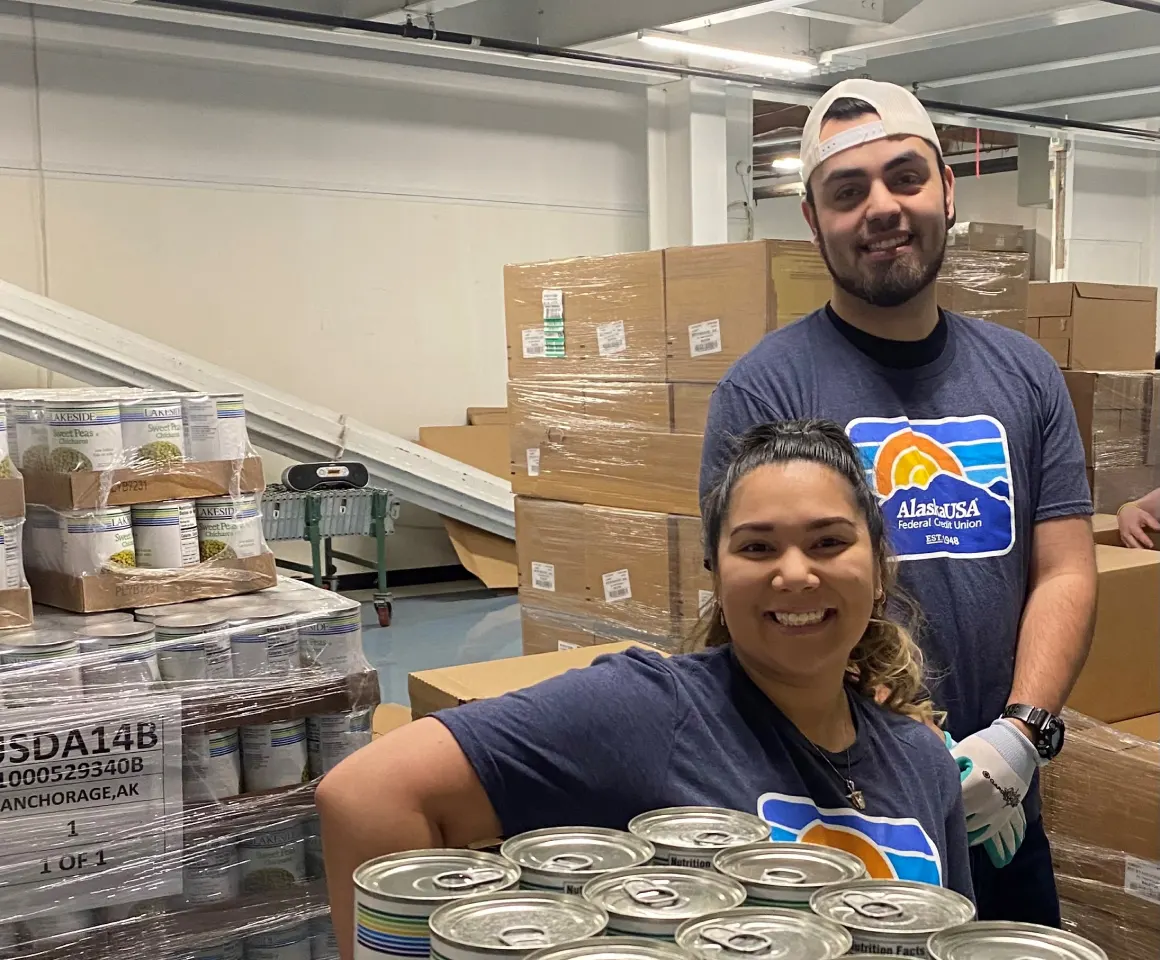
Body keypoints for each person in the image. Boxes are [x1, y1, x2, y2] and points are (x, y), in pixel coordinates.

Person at [319, 419, 973, 960]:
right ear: (717, 574)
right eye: (757, 548)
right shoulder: (654, 710)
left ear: (879, 568)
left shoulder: (921, 759)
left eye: (828, 542)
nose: (795, 574)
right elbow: (366, 796)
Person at [699, 79, 1097, 927]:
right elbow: (746, 604)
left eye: (905, 178)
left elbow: (1064, 569)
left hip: (1001, 801)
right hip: (835, 814)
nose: (881, 207)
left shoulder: (1026, 376)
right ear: (813, 222)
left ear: (947, 192)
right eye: (848, 192)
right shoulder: (764, 389)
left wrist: (1021, 737)